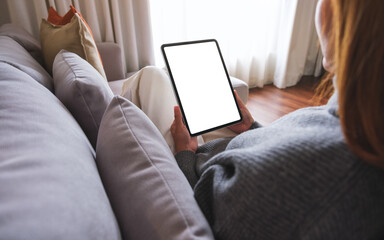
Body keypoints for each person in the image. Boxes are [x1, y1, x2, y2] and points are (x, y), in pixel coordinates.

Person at [121, 0, 384, 238]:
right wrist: (252, 128)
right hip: (236, 147)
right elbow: (285, 149)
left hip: (194, 170)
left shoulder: (324, 185)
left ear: (346, 22)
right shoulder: (359, 118)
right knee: (166, 83)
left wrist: (184, 154)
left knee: (150, 77)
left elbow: (195, 209)